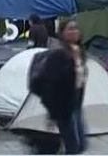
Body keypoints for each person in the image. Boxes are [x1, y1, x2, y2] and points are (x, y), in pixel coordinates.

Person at [29, 19, 88, 154]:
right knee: (73, 145)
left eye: (76, 28)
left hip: (76, 102)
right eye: (70, 29)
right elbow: (50, 82)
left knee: (81, 145)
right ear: (63, 33)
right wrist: (52, 112)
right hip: (63, 106)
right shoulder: (58, 54)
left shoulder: (80, 52)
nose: (74, 32)